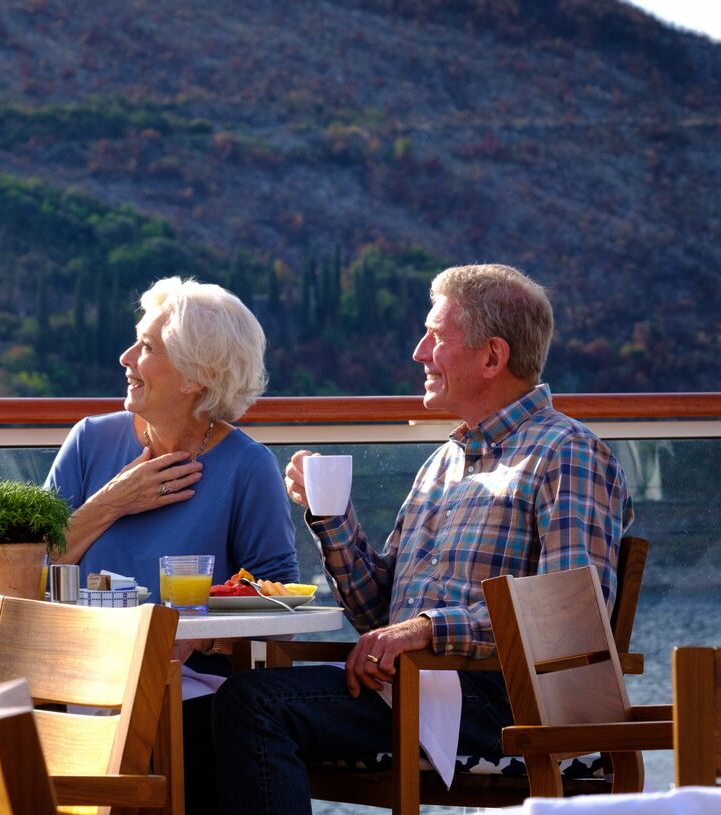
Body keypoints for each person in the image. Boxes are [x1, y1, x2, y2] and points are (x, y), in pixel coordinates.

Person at [212, 263, 634, 815]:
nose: (418, 353)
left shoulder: (568, 453)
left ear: (492, 357)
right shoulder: (441, 465)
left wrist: (426, 629)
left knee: (253, 706)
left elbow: (568, 622)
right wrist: (331, 516)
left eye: (435, 336)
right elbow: (379, 617)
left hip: (506, 702)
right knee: (212, 712)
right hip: (417, 688)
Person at [44, 275, 299, 815]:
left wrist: (200, 639)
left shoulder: (249, 467)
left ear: (196, 376)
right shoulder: (91, 441)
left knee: (195, 731)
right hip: (75, 672)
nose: (125, 358)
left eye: (146, 347)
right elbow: (24, 568)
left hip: (185, 685)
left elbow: (276, 601)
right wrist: (111, 502)